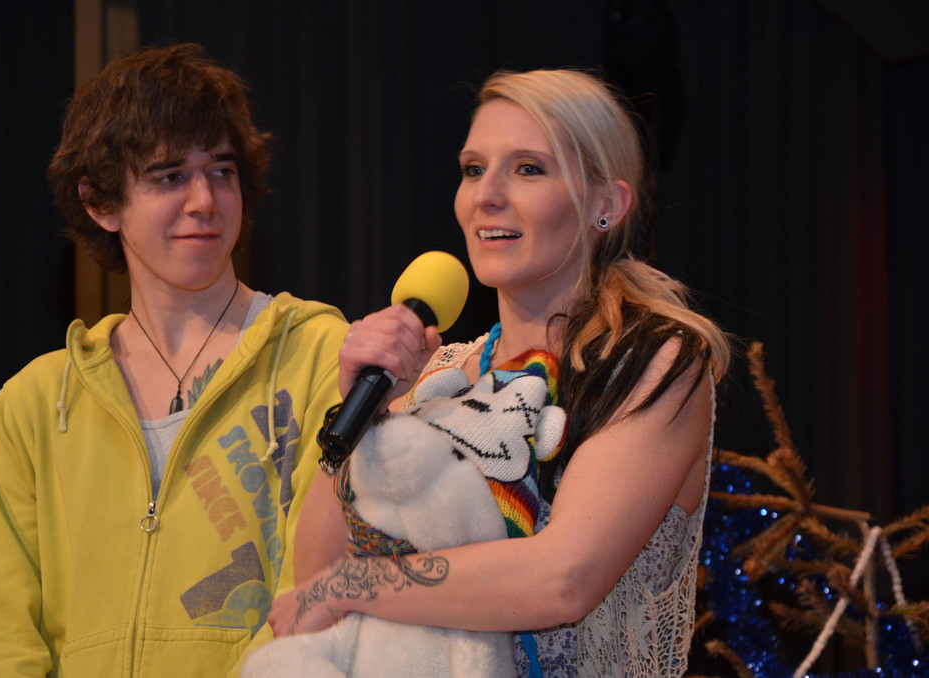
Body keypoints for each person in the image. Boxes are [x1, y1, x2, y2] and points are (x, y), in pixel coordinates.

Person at [267, 68, 731, 677]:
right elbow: (315, 582)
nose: (485, 194)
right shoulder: (436, 377)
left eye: (528, 168)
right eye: (473, 169)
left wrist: (354, 584)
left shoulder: (653, 363)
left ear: (606, 205)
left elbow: (562, 579)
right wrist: (359, 410)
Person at [0, 44, 348, 677]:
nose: (205, 200)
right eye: (170, 176)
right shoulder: (34, 405)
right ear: (101, 202)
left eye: (221, 171)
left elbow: (317, 591)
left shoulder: (319, 356)